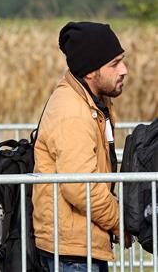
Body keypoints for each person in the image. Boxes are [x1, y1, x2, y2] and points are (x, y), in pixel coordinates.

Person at [32, 22, 131, 272]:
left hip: (77, 246)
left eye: (123, 60)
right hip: (72, 254)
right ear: (90, 72)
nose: (124, 70)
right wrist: (121, 222)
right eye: (114, 63)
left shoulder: (92, 101)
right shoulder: (72, 112)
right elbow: (81, 187)